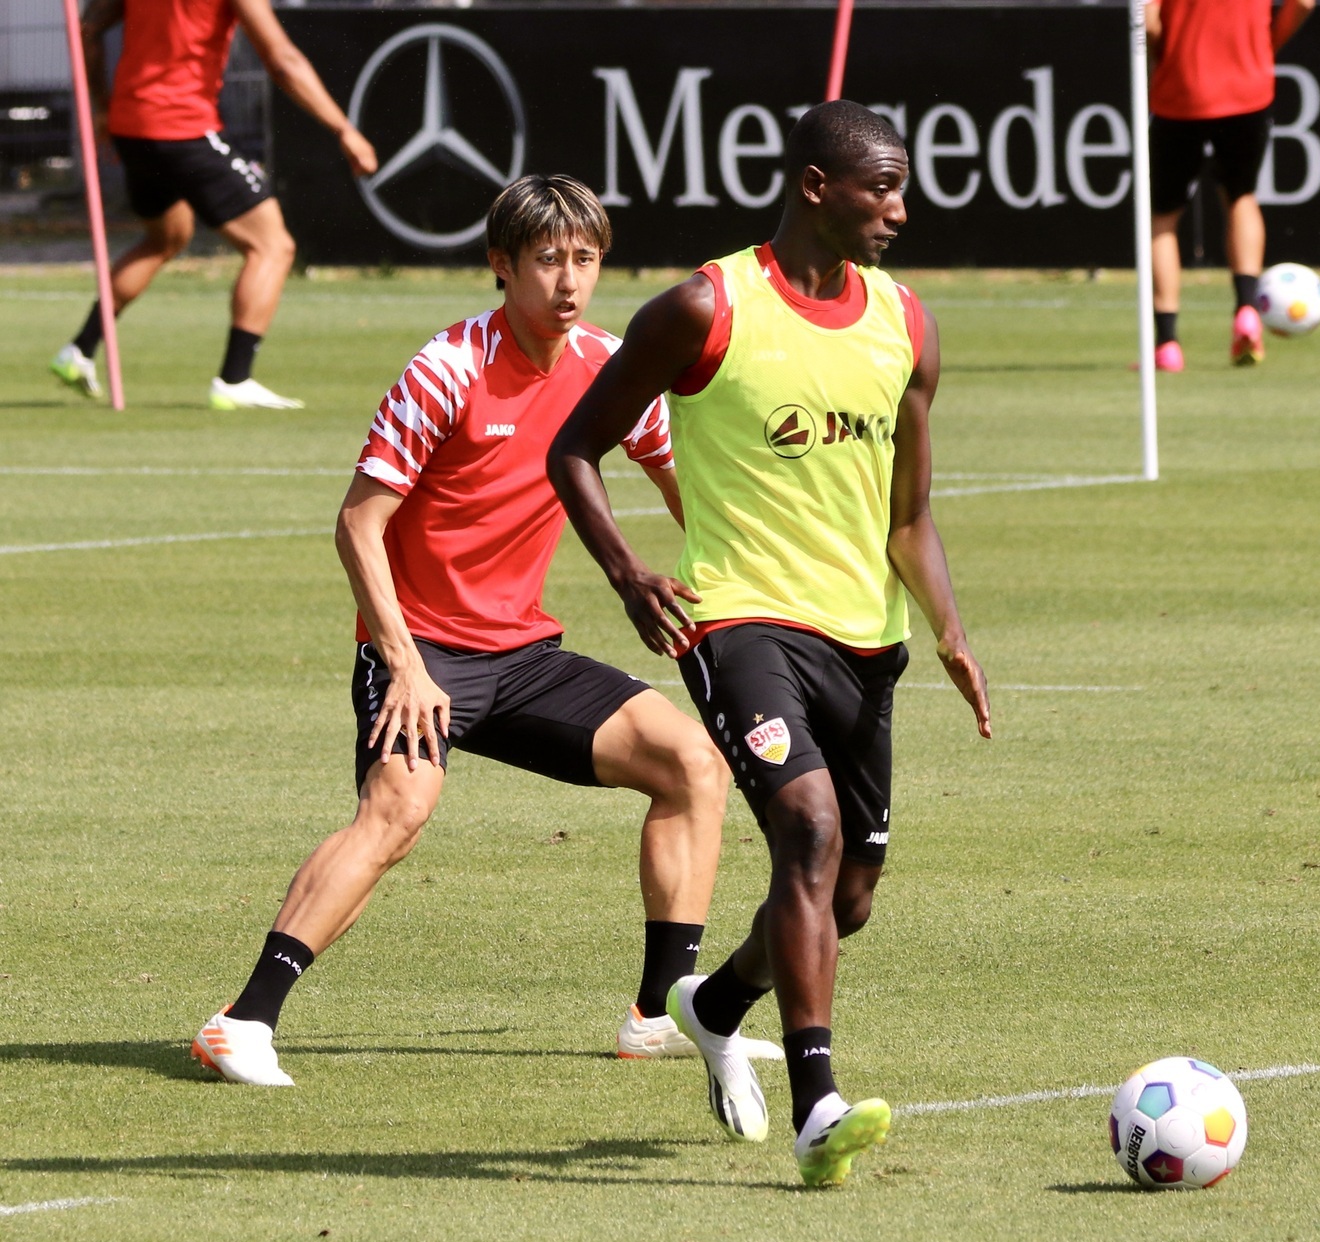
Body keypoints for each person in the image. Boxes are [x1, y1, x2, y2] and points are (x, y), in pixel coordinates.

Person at [191, 175, 777, 1086]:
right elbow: (358, 524)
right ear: (502, 267)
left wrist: (744, 587)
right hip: (421, 651)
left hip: (525, 656)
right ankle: (242, 1020)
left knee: (691, 765)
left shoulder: (606, 365)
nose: (570, 281)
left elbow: (685, 483)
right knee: (399, 810)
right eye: (547, 260)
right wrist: (405, 665)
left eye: (585, 259)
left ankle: (660, 1011)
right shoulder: (449, 366)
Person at [549, 102, 991, 1187]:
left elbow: (906, 516)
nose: (899, 208)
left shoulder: (908, 324)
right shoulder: (705, 307)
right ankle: (815, 1103)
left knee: (848, 899)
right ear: (812, 188)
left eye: (901, 186)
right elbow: (575, 448)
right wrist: (626, 571)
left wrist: (946, 626)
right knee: (805, 828)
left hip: (864, 640)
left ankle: (713, 1003)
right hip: (738, 620)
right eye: (878, 188)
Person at [50, 0, 378, 408]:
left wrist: (102, 106)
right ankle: (234, 379)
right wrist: (343, 129)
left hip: (131, 127)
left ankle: (79, 350)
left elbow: (88, 29)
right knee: (272, 246)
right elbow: (282, 60)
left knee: (166, 238)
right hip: (182, 128)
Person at [1145, 0, 1315, 370]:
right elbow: (1303, 2)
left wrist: (1167, 56)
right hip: (1248, 87)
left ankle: (1167, 344)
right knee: (1241, 197)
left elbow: (1148, 21)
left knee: (1162, 218)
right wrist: (1264, 49)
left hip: (1182, 90)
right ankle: (1247, 310)